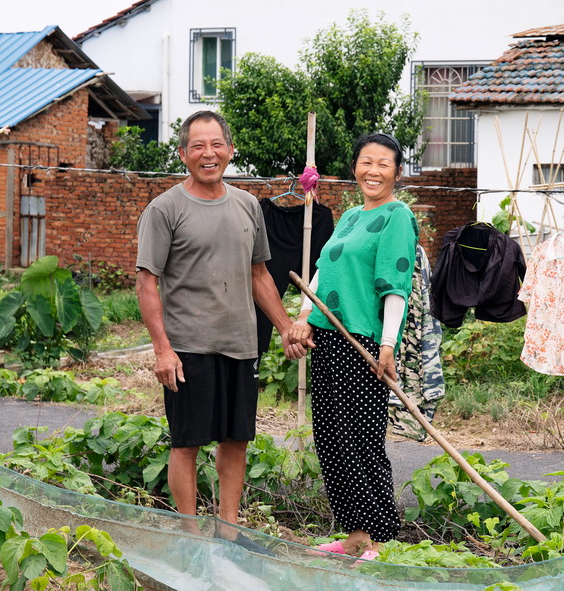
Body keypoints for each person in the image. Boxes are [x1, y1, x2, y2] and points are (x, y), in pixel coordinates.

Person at [135, 110, 307, 527]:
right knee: (187, 443)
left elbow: (259, 275)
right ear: (182, 154)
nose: (208, 154)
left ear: (230, 150)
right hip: (188, 348)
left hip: (241, 343)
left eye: (216, 145)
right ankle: (191, 535)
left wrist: (285, 327)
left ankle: (228, 530)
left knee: (236, 440)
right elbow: (146, 282)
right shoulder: (164, 209)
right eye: (198, 146)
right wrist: (163, 350)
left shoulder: (249, 205)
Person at [290, 133, 418, 560]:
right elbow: (325, 271)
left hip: (363, 342)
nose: (373, 171)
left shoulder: (397, 216)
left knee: (362, 440)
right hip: (330, 338)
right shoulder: (348, 217)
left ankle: (381, 538)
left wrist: (388, 342)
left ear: (397, 172)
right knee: (332, 440)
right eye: (366, 162)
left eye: (384, 164)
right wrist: (305, 319)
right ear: (354, 167)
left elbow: (395, 280)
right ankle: (355, 535)